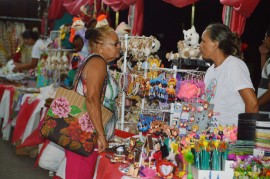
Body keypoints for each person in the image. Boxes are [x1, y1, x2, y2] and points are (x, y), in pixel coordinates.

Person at [56, 26, 120, 179]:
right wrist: (100, 134)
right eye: (115, 43)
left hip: (84, 132)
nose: (119, 47)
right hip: (86, 134)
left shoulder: (96, 62)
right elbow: (91, 99)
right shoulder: (97, 62)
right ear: (100, 47)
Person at [200, 23, 258, 126]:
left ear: (216, 43)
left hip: (232, 137)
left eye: (204, 41)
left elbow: (252, 104)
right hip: (213, 137)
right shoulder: (210, 71)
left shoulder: (234, 65)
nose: (200, 45)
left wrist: (246, 137)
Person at [257, 25, 270, 116]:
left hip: (266, 113)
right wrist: (263, 56)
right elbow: (265, 75)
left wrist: (255, 104)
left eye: (265, 37)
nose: (263, 40)